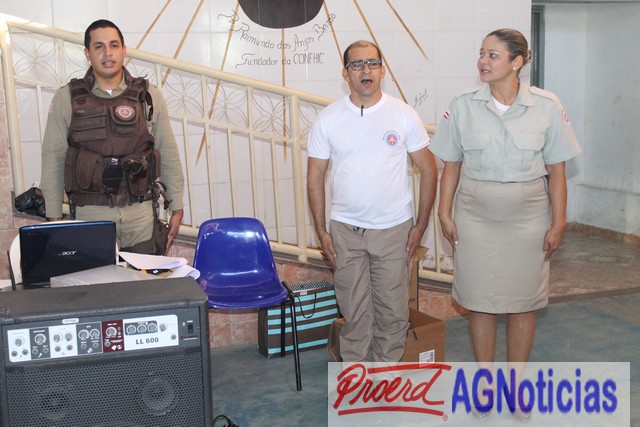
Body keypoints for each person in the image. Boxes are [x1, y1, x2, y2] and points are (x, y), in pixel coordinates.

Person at [429, 28, 581, 417]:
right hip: (475, 215)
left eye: (493, 55)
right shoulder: (463, 105)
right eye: (481, 53)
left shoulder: (546, 106)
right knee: (480, 302)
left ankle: (516, 385)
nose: (483, 61)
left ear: (517, 62)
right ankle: (485, 383)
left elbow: (557, 172)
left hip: (528, 217)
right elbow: (451, 164)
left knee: (523, 303)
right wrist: (443, 211)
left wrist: (559, 222)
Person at [307, 40, 438, 363]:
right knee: (354, 313)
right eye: (357, 64)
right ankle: (358, 379)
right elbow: (314, 176)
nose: (365, 70)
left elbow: (429, 169)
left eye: (372, 63)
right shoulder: (328, 118)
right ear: (345, 73)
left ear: (382, 71)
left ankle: (384, 379)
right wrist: (321, 231)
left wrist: (421, 225)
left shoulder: (403, 114)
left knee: (392, 313)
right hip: (345, 231)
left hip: (394, 231)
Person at [41, 19, 184, 255]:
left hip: (141, 218)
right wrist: (53, 217)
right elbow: (53, 160)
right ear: (87, 53)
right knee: (96, 280)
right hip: (91, 218)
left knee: (141, 279)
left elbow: (167, 151)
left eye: (114, 45)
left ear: (124, 50)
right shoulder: (66, 98)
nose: (108, 53)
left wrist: (176, 205)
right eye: (99, 46)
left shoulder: (149, 96)